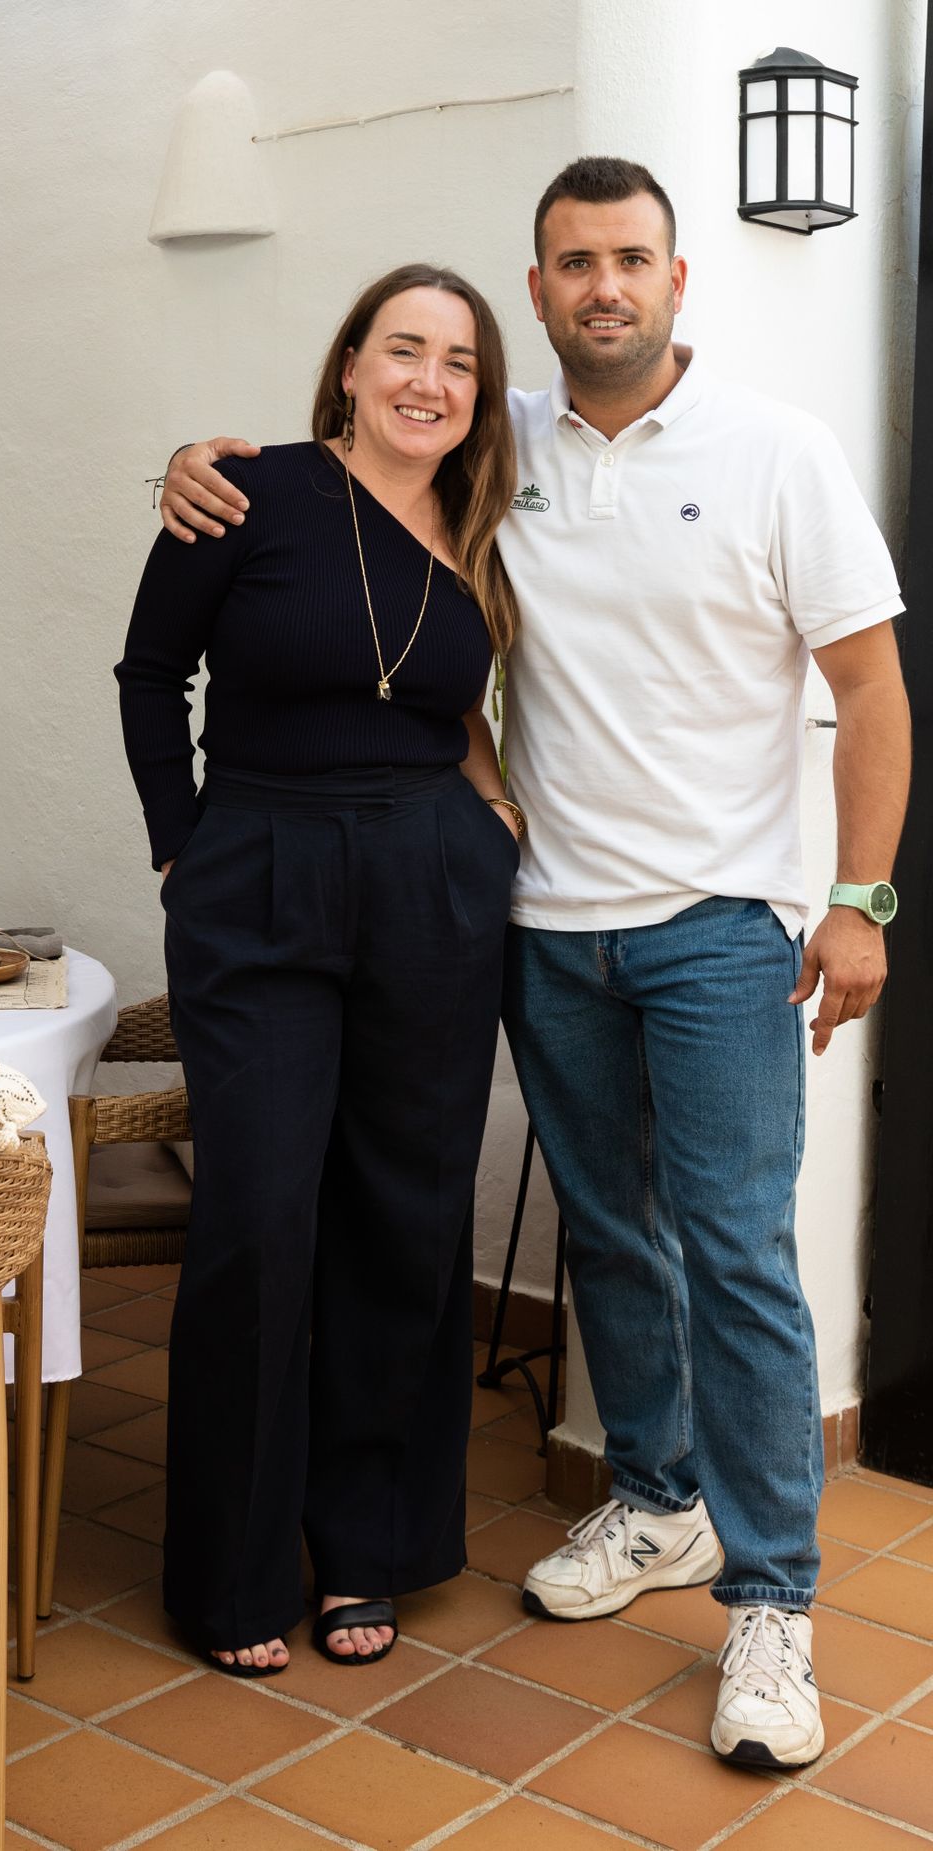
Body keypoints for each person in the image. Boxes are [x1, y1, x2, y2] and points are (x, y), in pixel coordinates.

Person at [155, 157, 910, 1764]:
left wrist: (863, 899)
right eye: (573, 264)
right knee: (611, 1247)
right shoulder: (512, 471)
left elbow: (871, 680)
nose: (604, 287)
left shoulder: (771, 451)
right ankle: (655, 1500)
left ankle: (772, 1604)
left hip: (717, 926)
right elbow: (419, 668)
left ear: (677, 279)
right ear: (541, 287)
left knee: (736, 1257)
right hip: (545, 926)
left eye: (631, 259)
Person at [116, 264, 525, 1677]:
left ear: (480, 394)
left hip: (431, 878)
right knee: (257, 1217)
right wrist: (184, 844)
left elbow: (458, 703)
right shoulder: (246, 493)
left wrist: (490, 816)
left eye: (459, 361)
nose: (430, 379)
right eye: (404, 349)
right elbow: (148, 671)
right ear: (349, 365)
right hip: (262, 874)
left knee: (404, 1220)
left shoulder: (488, 523)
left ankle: (370, 1549)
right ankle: (232, 1572)